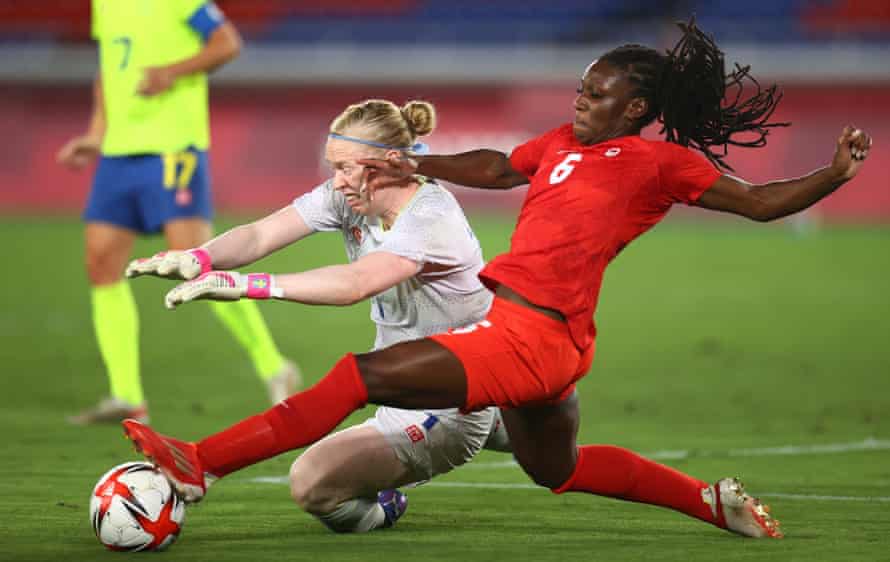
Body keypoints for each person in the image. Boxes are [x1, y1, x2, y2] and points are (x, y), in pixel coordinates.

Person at [122, 20, 872, 538]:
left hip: (530, 335)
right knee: (558, 470)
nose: (581, 98)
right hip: (553, 344)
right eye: (582, 85)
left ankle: (199, 465)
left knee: (358, 375)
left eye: (597, 92)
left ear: (636, 108)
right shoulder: (560, 143)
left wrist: (834, 174)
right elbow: (495, 167)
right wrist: (420, 162)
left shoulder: (659, 163)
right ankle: (709, 504)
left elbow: (762, 202)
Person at [127, 98, 511, 533]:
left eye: (346, 167)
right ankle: (512, 421)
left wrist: (252, 286)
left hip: (444, 404)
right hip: (404, 381)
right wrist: (200, 258)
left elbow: (355, 284)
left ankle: (385, 505)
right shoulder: (349, 195)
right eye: (333, 167)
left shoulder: (430, 218)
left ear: (389, 163)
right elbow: (259, 234)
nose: (337, 181)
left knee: (312, 485)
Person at [56, 0, 299, 424]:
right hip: (118, 154)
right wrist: (97, 134)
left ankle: (275, 367)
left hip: (173, 148)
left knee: (195, 264)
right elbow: (108, 71)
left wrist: (171, 72)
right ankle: (127, 396)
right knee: (100, 263)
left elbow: (227, 43)